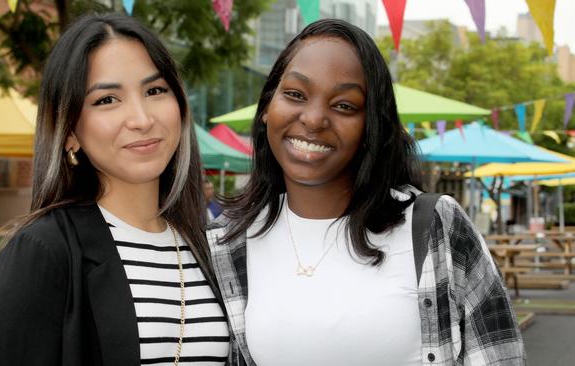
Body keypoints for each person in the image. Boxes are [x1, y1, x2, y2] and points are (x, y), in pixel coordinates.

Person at [207, 19, 525, 366]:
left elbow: (500, 357)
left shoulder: (436, 226)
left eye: (344, 105)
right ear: (267, 107)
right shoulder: (226, 242)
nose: (313, 119)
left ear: (370, 126)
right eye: (296, 95)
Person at [0, 14, 229, 366]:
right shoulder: (44, 252)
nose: (141, 119)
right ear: (68, 132)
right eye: (107, 99)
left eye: (155, 91)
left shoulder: (209, 246)